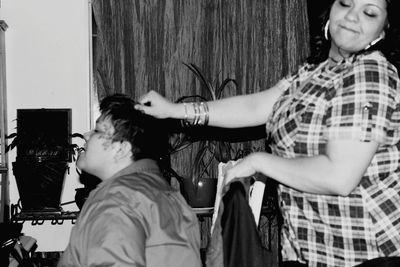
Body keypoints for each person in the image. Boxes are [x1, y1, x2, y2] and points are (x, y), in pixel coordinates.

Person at [134, 0, 400, 266]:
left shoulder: (370, 73)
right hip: (308, 249)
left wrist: (259, 161)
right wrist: (175, 110)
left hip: (366, 252)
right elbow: (257, 106)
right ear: (330, 9)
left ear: (383, 30)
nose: (352, 16)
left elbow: (339, 177)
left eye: (369, 12)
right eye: (345, 3)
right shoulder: (312, 72)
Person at [58, 94, 202, 267]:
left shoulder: (117, 199)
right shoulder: (166, 196)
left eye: (97, 131)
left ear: (121, 149)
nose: (86, 135)